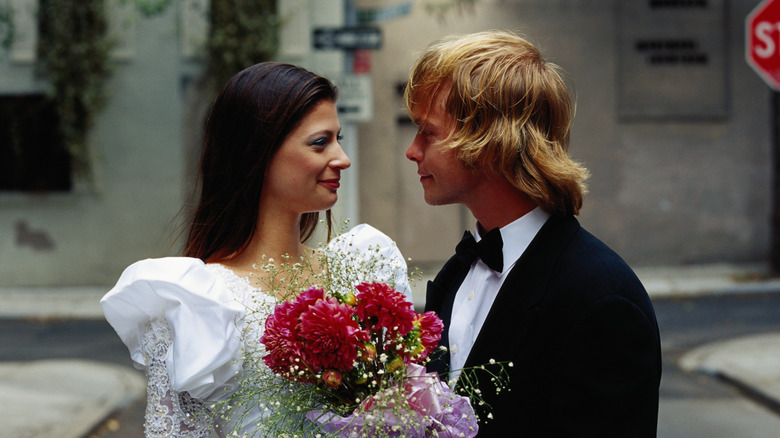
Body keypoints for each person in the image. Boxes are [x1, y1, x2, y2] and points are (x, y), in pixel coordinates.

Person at [101, 62, 411, 437]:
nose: (342, 158)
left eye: (338, 139)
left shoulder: (362, 269)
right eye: (320, 142)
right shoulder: (195, 302)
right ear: (260, 153)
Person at [404, 30, 662, 437]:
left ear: (488, 141)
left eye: (428, 132)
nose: (412, 150)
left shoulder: (599, 297)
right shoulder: (457, 272)